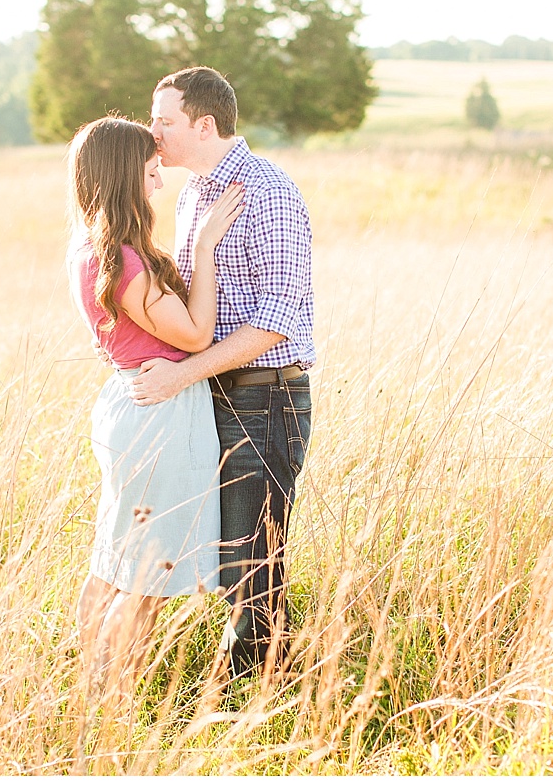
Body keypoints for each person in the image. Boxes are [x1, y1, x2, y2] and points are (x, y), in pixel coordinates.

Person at [131, 66, 316, 682]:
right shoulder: (193, 194)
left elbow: (278, 320)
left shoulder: (267, 190)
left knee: (251, 566)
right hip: (209, 396)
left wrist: (180, 377)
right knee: (208, 557)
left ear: (204, 125)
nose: (152, 132)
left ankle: (256, 707)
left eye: (165, 121)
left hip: (264, 401)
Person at [66, 116, 244, 705]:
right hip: (158, 415)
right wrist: (205, 249)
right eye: (149, 173)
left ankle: (87, 690)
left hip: (131, 402)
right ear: (123, 177)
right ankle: (113, 702)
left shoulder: (88, 250)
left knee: (113, 563)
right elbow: (194, 335)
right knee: (145, 579)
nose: (159, 185)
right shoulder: (124, 260)